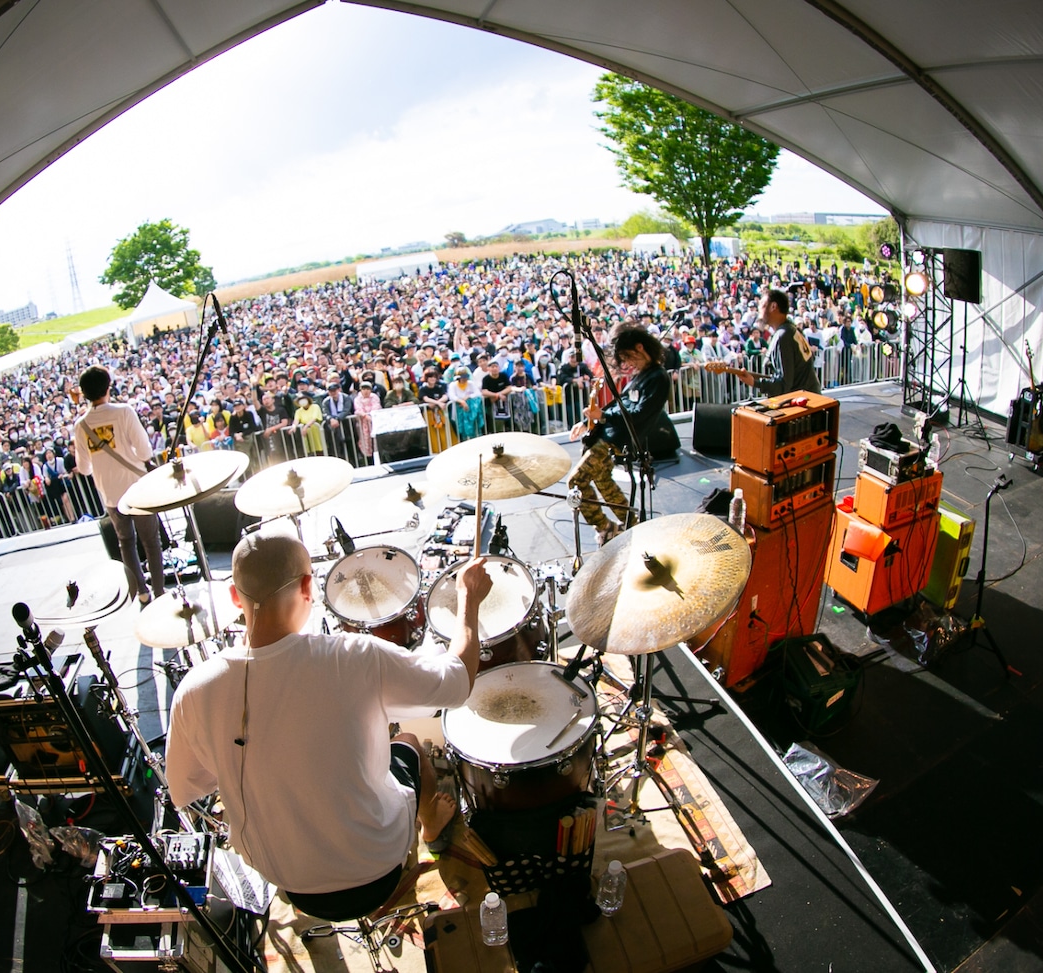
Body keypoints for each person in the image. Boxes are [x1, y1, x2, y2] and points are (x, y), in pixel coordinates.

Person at [165, 532, 493, 920]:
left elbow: (185, 789)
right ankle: (431, 827)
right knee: (408, 742)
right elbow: (457, 683)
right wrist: (468, 597)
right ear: (308, 587)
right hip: (378, 867)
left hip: (288, 881)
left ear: (235, 598)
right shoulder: (354, 656)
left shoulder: (194, 690)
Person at [568, 327, 680, 543]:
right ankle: (632, 524)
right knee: (602, 481)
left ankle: (606, 527)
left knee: (576, 482)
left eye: (629, 357)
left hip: (618, 440)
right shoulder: (642, 376)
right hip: (609, 435)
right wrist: (589, 420)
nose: (629, 363)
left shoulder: (658, 378)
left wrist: (603, 417)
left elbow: (639, 413)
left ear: (640, 348)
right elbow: (620, 405)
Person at [72, 365, 164, 607]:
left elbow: (83, 468)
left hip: (111, 494)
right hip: (138, 488)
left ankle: (142, 593)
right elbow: (144, 450)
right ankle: (160, 592)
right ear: (108, 387)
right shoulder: (124, 412)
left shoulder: (80, 426)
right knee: (151, 542)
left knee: (126, 543)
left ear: (84, 393)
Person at [705, 289, 822, 395]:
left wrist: (756, 383)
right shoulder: (791, 329)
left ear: (773, 306)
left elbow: (784, 385)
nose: (759, 309)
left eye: (762, 305)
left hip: (803, 406)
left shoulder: (783, 336)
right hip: (810, 398)